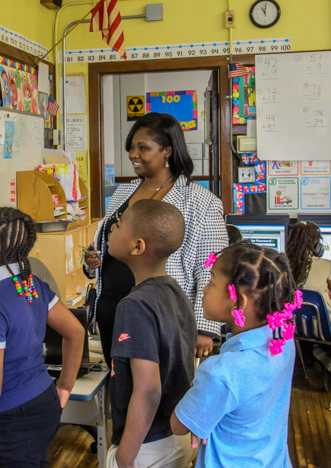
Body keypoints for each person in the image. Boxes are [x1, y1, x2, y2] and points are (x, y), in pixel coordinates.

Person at [84, 112, 228, 364]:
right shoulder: (122, 193)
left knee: (154, 392)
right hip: (113, 311)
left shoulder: (200, 201)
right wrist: (91, 262)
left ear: (167, 151)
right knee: (122, 388)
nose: (133, 154)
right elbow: (106, 244)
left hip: (161, 315)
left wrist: (205, 328)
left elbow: (211, 266)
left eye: (143, 148)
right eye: (131, 148)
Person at [0, 207, 85, 468]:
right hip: (43, 399)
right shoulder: (29, 285)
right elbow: (76, 332)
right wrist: (64, 387)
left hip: (13, 415)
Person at [171, 242, 297, 468]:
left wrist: (202, 403)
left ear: (238, 301)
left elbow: (179, 426)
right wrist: (207, 410)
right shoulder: (282, 340)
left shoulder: (220, 373)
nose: (204, 289)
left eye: (211, 282)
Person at [106, 199, 197, 468]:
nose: (112, 227)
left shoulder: (134, 305)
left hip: (146, 446)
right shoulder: (176, 292)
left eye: (119, 225)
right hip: (175, 434)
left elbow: (147, 391)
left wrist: (125, 457)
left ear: (137, 246)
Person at [286, 221, 331, 373]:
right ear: (316, 246)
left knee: (314, 326)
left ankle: (315, 352)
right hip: (324, 327)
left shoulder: (285, 265)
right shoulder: (324, 264)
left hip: (296, 327)